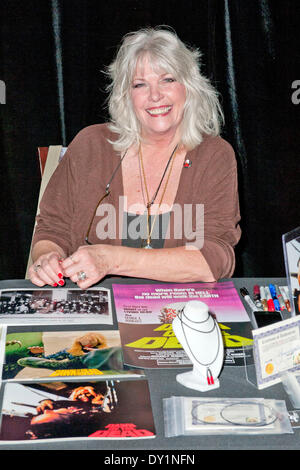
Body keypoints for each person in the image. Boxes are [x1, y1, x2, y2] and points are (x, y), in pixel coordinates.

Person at [29, 27, 241, 289]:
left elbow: (215, 259)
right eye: (140, 84)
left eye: (168, 80)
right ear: (125, 95)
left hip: (180, 313)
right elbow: (52, 229)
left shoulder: (215, 155)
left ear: (189, 87)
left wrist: (111, 259)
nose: (155, 95)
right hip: (95, 310)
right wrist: (47, 258)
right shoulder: (90, 145)